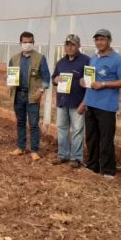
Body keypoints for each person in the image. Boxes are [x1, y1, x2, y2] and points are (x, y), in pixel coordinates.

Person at [81, 29, 121, 178]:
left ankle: (108, 170)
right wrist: (84, 82)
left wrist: (103, 84)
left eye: (102, 39)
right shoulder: (93, 58)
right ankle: (92, 166)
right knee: (91, 138)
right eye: (97, 40)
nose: (99, 42)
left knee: (106, 139)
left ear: (109, 40)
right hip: (91, 104)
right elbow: (89, 81)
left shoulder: (117, 60)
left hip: (106, 106)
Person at [8, 31, 50, 161]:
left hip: (32, 95)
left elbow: (46, 77)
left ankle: (34, 150)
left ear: (33, 42)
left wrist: (41, 90)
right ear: (20, 43)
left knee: (33, 124)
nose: (27, 44)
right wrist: (10, 84)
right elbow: (10, 75)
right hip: (18, 95)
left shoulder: (40, 58)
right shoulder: (14, 59)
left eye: (30, 42)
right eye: (25, 42)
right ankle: (21, 147)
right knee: (20, 122)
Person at [51, 34, 90, 168]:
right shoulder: (61, 62)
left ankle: (76, 158)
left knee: (77, 130)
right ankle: (63, 155)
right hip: (62, 101)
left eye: (73, 45)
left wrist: (84, 103)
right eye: (67, 44)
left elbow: (90, 83)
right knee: (62, 129)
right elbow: (53, 78)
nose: (70, 47)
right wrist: (55, 80)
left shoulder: (86, 61)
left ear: (78, 46)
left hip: (77, 102)